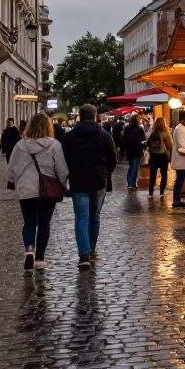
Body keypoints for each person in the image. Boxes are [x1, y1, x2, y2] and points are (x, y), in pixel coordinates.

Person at [5, 114, 69, 271]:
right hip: (47, 190)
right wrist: (64, 184)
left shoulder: (20, 145)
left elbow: (11, 167)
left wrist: (12, 180)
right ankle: (39, 258)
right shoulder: (55, 145)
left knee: (29, 222)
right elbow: (61, 169)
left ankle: (29, 249)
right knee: (44, 223)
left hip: (26, 189)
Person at [62, 105, 117, 269]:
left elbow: (63, 159)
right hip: (98, 181)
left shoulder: (70, 137)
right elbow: (112, 158)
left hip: (78, 182)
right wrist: (106, 173)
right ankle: (92, 249)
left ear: (79, 116)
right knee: (95, 216)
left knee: (81, 218)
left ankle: (84, 254)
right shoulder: (104, 135)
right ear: (95, 117)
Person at [170, 109, 185, 209]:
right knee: (179, 181)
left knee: (179, 180)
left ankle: (177, 200)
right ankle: (176, 201)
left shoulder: (181, 128)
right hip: (180, 160)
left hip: (181, 160)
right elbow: (182, 147)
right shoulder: (181, 129)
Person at [146, 116, 174, 198]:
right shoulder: (166, 133)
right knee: (164, 174)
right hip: (163, 155)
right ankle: (161, 192)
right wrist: (171, 154)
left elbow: (148, 143)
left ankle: (151, 193)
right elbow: (170, 145)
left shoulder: (153, 133)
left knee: (152, 174)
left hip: (154, 156)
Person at [122, 116, 146, 189]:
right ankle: (133, 183)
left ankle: (129, 183)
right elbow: (143, 139)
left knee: (131, 166)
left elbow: (124, 140)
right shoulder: (140, 129)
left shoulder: (127, 129)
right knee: (135, 167)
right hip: (137, 150)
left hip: (129, 150)